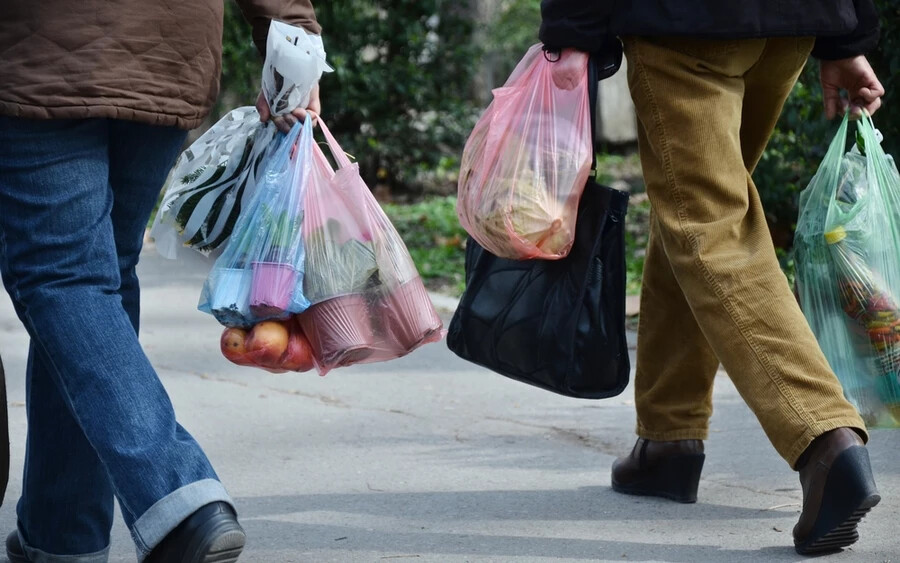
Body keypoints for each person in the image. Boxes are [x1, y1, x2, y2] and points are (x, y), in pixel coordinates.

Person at [539, 0, 885, 555]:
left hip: (684, 25)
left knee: (708, 228)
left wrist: (570, 32)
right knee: (693, 211)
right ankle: (668, 439)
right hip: (789, 25)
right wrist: (848, 36)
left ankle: (824, 437)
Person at [0, 1, 322, 561]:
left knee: (65, 279)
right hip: (166, 50)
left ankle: (177, 496)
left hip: (39, 50)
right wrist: (296, 40)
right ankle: (62, 535)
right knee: (97, 283)